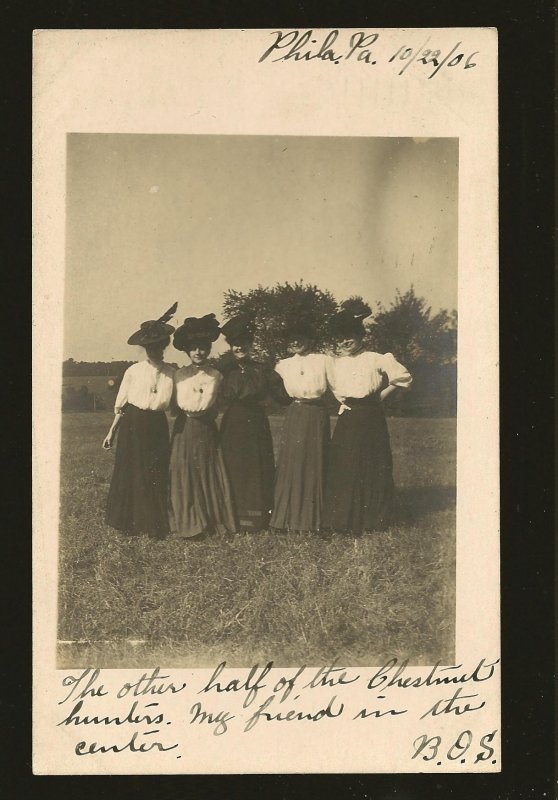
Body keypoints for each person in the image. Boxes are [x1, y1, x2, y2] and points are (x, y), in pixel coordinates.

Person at [323, 309, 412, 535]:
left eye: (350, 335)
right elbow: (335, 390)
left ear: (360, 335)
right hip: (349, 416)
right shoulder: (336, 364)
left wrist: (380, 396)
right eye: (340, 337)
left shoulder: (375, 358)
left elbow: (402, 378)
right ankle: (344, 519)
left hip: (371, 415)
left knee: (374, 464)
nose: (345, 340)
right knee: (345, 466)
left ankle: (373, 519)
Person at [103, 302, 177, 537]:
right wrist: (111, 431)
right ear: (145, 349)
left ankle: (154, 522)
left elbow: (176, 403)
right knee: (132, 469)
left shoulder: (171, 372)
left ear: (164, 347)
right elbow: (122, 404)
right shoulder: (133, 371)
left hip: (157, 423)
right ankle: (129, 522)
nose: (155, 351)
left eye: (158, 347)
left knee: (155, 471)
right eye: (150, 348)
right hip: (133, 423)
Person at [168, 313, 237, 539]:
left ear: (208, 350)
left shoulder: (216, 375)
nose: (198, 352)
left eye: (203, 348)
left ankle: (208, 520)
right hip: (184, 429)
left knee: (207, 472)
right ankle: (188, 522)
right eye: (194, 348)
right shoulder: (179, 375)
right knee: (184, 472)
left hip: (205, 429)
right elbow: (174, 406)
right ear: (188, 351)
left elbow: (217, 404)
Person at [270, 319, 330, 533]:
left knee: (315, 460)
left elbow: (339, 387)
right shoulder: (283, 365)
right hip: (295, 412)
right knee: (292, 461)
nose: (295, 341)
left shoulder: (324, 361)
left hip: (316, 414)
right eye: (291, 338)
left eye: (300, 337)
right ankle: (286, 518)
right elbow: (275, 393)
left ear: (311, 339)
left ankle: (312, 519)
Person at [219, 316, 276, 531]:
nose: (239, 348)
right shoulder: (224, 369)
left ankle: (257, 518)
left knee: (256, 466)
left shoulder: (262, 369)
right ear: (231, 346)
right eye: (235, 344)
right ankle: (232, 515)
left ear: (251, 345)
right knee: (234, 466)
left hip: (256, 422)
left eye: (244, 343)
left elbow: (282, 394)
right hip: (233, 422)